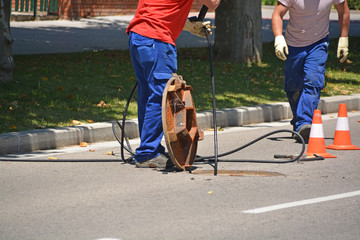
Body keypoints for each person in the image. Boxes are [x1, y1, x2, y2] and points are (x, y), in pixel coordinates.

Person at [126, 0, 221, 169]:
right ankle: (148, 153)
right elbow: (212, 3)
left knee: (148, 95)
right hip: (157, 40)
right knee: (161, 96)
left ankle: (150, 149)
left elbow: (161, 8)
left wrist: (187, 25)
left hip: (139, 37)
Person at [271, 0, 350, 142]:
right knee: (292, 87)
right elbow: (277, 14)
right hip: (293, 45)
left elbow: (343, 11)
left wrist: (344, 37)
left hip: (318, 43)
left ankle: (304, 122)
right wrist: (278, 37)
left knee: (313, 81)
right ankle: (299, 122)